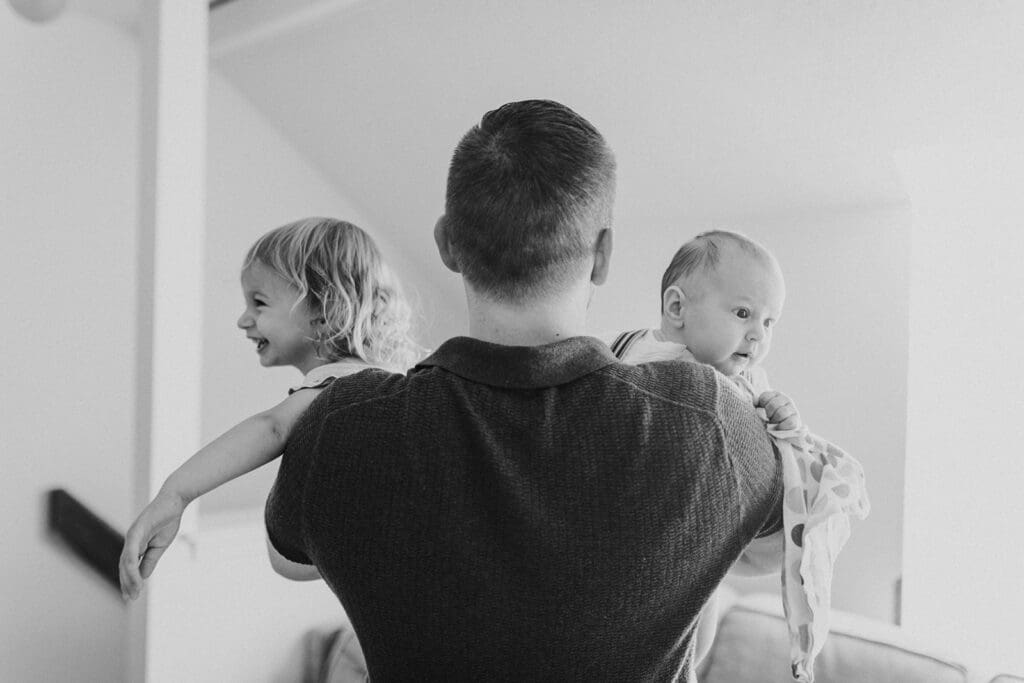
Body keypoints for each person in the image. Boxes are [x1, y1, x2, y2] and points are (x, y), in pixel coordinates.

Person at [260, 100, 784, 682]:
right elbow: (789, 543)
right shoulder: (707, 419)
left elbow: (289, 561)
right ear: (603, 254)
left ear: (447, 244)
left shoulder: (342, 427)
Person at [608, 230, 870, 682]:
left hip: (693, 554)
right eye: (743, 313)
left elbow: (780, 446)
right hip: (631, 549)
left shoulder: (742, 385)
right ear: (677, 309)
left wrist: (779, 413)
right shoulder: (636, 357)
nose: (757, 334)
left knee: (694, 627)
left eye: (770, 322)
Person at [119, 217, 419, 598]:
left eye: (258, 303)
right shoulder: (376, 384)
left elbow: (271, 428)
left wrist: (176, 494)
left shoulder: (341, 387)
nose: (243, 320)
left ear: (324, 309)